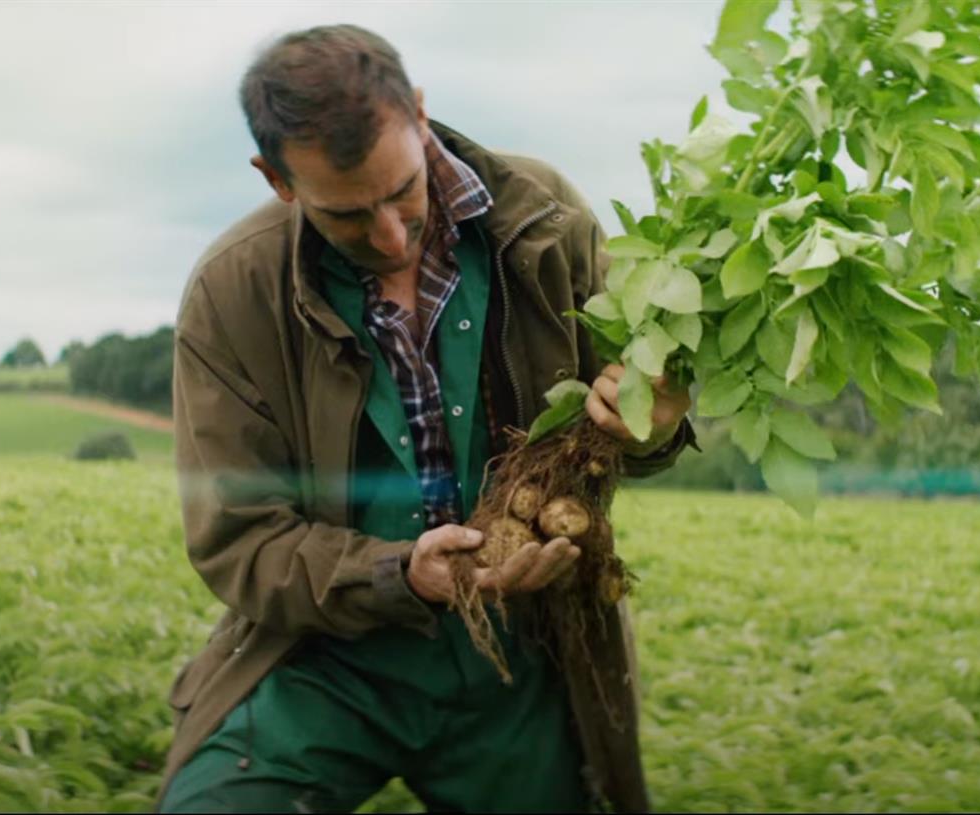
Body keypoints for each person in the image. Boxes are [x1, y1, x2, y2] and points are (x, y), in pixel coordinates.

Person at [158, 24, 694, 814]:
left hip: (522, 655)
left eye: (402, 191)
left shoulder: (541, 220)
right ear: (276, 179)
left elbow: (635, 426)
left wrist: (653, 414)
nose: (391, 235)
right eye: (347, 216)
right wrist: (399, 571)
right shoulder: (232, 293)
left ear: (417, 110)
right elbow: (241, 540)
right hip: (324, 657)